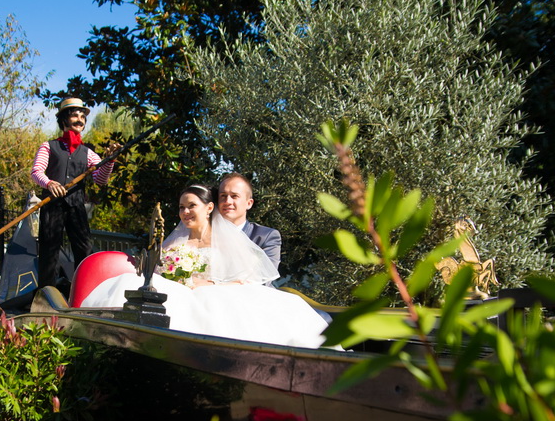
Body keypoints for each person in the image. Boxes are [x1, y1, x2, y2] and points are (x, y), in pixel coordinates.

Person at [80, 184, 337, 350]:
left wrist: (209, 284)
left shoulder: (227, 240)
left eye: (192, 205)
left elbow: (247, 279)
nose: (185, 212)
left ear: (209, 207)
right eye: (181, 207)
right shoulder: (176, 242)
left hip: (215, 292)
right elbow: (159, 272)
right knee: (130, 284)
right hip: (180, 290)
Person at [31, 97, 119, 290]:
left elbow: (100, 179)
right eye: (74, 116)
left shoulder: (88, 153)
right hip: (52, 205)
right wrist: (49, 183)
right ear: (64, 120)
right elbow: (36, 172)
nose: (80, 120)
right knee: (49, 252)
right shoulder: (49, 146)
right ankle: (46, 296)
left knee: (85, 250)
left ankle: (84, 291)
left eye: (82, 117)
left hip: (76, 206)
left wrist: (110, 161)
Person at [217, 173, 282, 272]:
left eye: (234, 196)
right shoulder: (205, 234)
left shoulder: (266, 236)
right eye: (223, 196)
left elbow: (265, 277)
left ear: (249, 203)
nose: (227, 201)